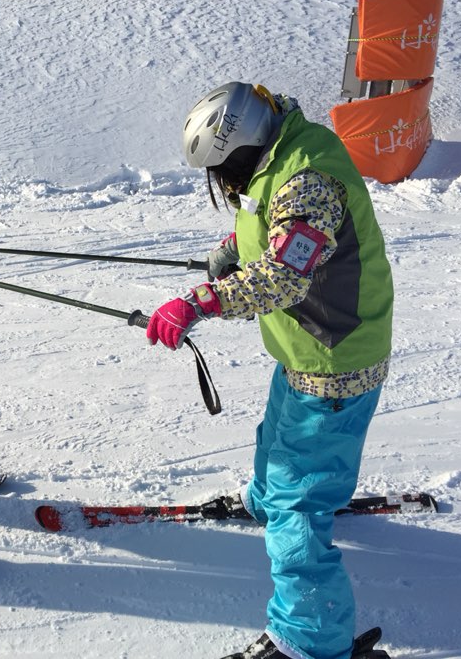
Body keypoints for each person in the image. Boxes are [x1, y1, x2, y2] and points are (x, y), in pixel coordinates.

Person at [146, 82, 394, 659]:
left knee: (298, 510)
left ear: (243, 148)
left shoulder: (308, 179)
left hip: (335, 361)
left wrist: (201, 301)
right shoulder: (284, 153)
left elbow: (286, 273)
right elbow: (273, 217)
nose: (225, 182)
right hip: (307, 351)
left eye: (225, 168)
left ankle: (310, 639)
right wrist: (237, 244)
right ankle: (268, 500)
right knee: (275, 435)